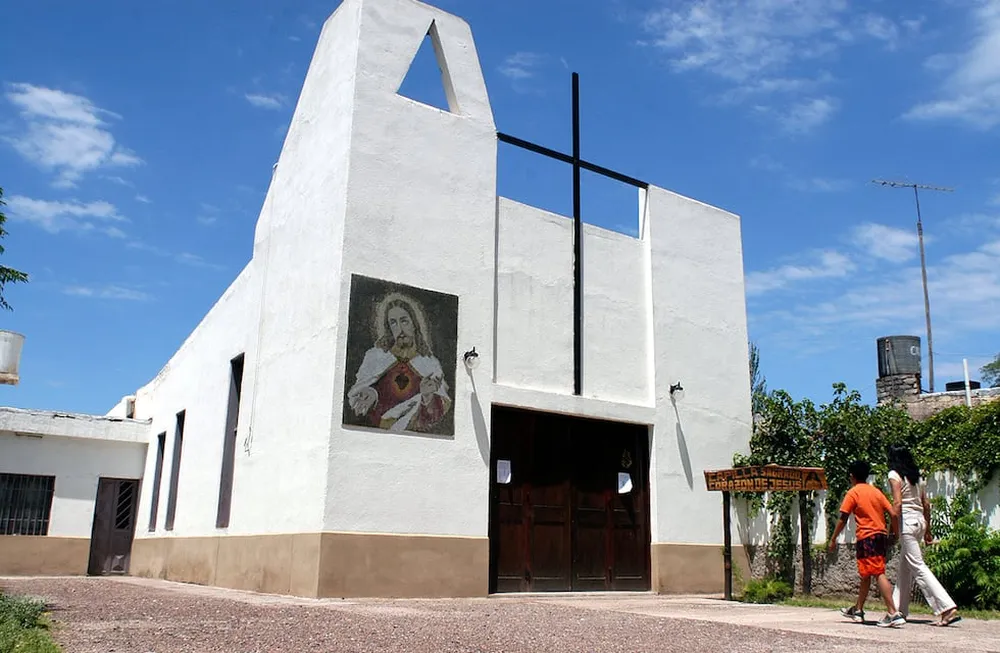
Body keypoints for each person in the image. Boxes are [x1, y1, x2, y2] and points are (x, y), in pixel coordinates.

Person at [346, 292, 452, 433]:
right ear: (388, 328)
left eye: (404, 321)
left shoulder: (429, 364)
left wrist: (427, 396)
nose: (400, 329)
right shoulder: (376, 357)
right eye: (393, 323)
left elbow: (438, 412)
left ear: (414, 324)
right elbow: (356, 400)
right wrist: (370, 393)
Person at [887, 445, 962, 627]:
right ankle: (898, 610)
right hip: (919, 522)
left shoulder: (893, 475)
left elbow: (897, 505)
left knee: (918, 566)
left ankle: (946, 607)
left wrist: (892, 530)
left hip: (908, 524)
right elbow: (926, 504)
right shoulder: (916, 476)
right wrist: (927, 530)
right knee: (905, 568)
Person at [829, 460, 905, 628]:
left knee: (878, 572)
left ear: (852, 476)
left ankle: (893, 612)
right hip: (880, 536)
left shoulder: (853, 492)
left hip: (866, 537)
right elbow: (893, 513)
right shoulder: (876, 492)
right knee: (866, 573)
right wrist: (895, 533)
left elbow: (843, 518)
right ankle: (858, 610)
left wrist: (833, 538)